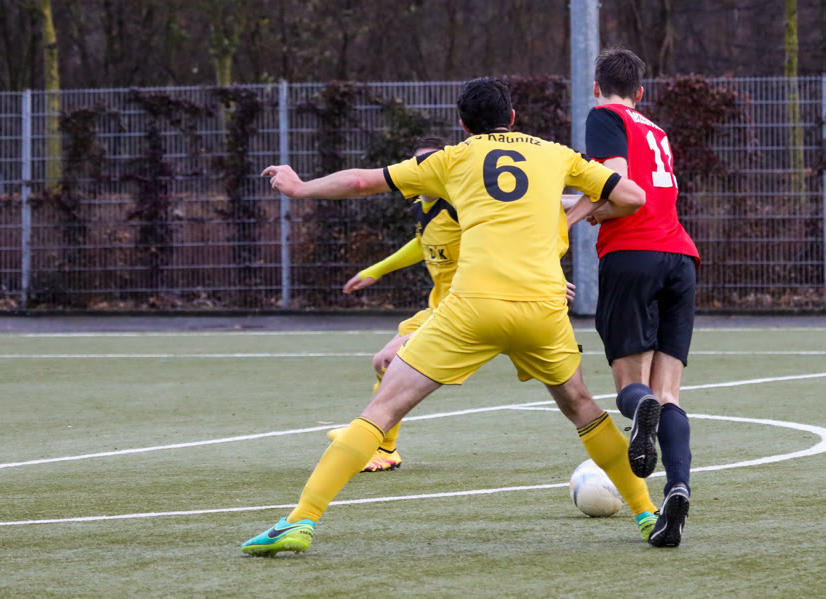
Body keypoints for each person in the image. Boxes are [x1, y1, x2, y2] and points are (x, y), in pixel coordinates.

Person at [242, 77, 658, 556]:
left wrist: (299, 187)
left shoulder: (451, 159)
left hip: (473, 308)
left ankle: (301, 520)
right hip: (543, 306)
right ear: (513, 118)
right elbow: (631, 197)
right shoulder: (555, 154)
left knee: (381, 410)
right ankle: (648, 514)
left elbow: (360, 181)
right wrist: (572, 216)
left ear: (463, 125)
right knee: (583, 407)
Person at [333, 136, 577, 472]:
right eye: (421, 163)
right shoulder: (421, 206)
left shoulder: (462, 203)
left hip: (471, 308)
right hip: (439, 307)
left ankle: (381, 445)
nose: (429, 168)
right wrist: (375, 271)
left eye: (434, 161)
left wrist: (546, 277)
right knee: (385, 362)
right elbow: (423, 243)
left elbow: (520, 222)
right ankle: (376, 438)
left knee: (388, 359)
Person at [567, 48, 700, 547]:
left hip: (632, 256)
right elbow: (637, 192)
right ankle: (678, 488)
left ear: (596, 88)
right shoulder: (656, 130)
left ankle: (638, 406)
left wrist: (571, 219)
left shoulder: (604, 116)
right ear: (640, 92)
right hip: (680, 257)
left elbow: (617, 183)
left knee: (632, 386)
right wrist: (593, 207)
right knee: (670, 395)